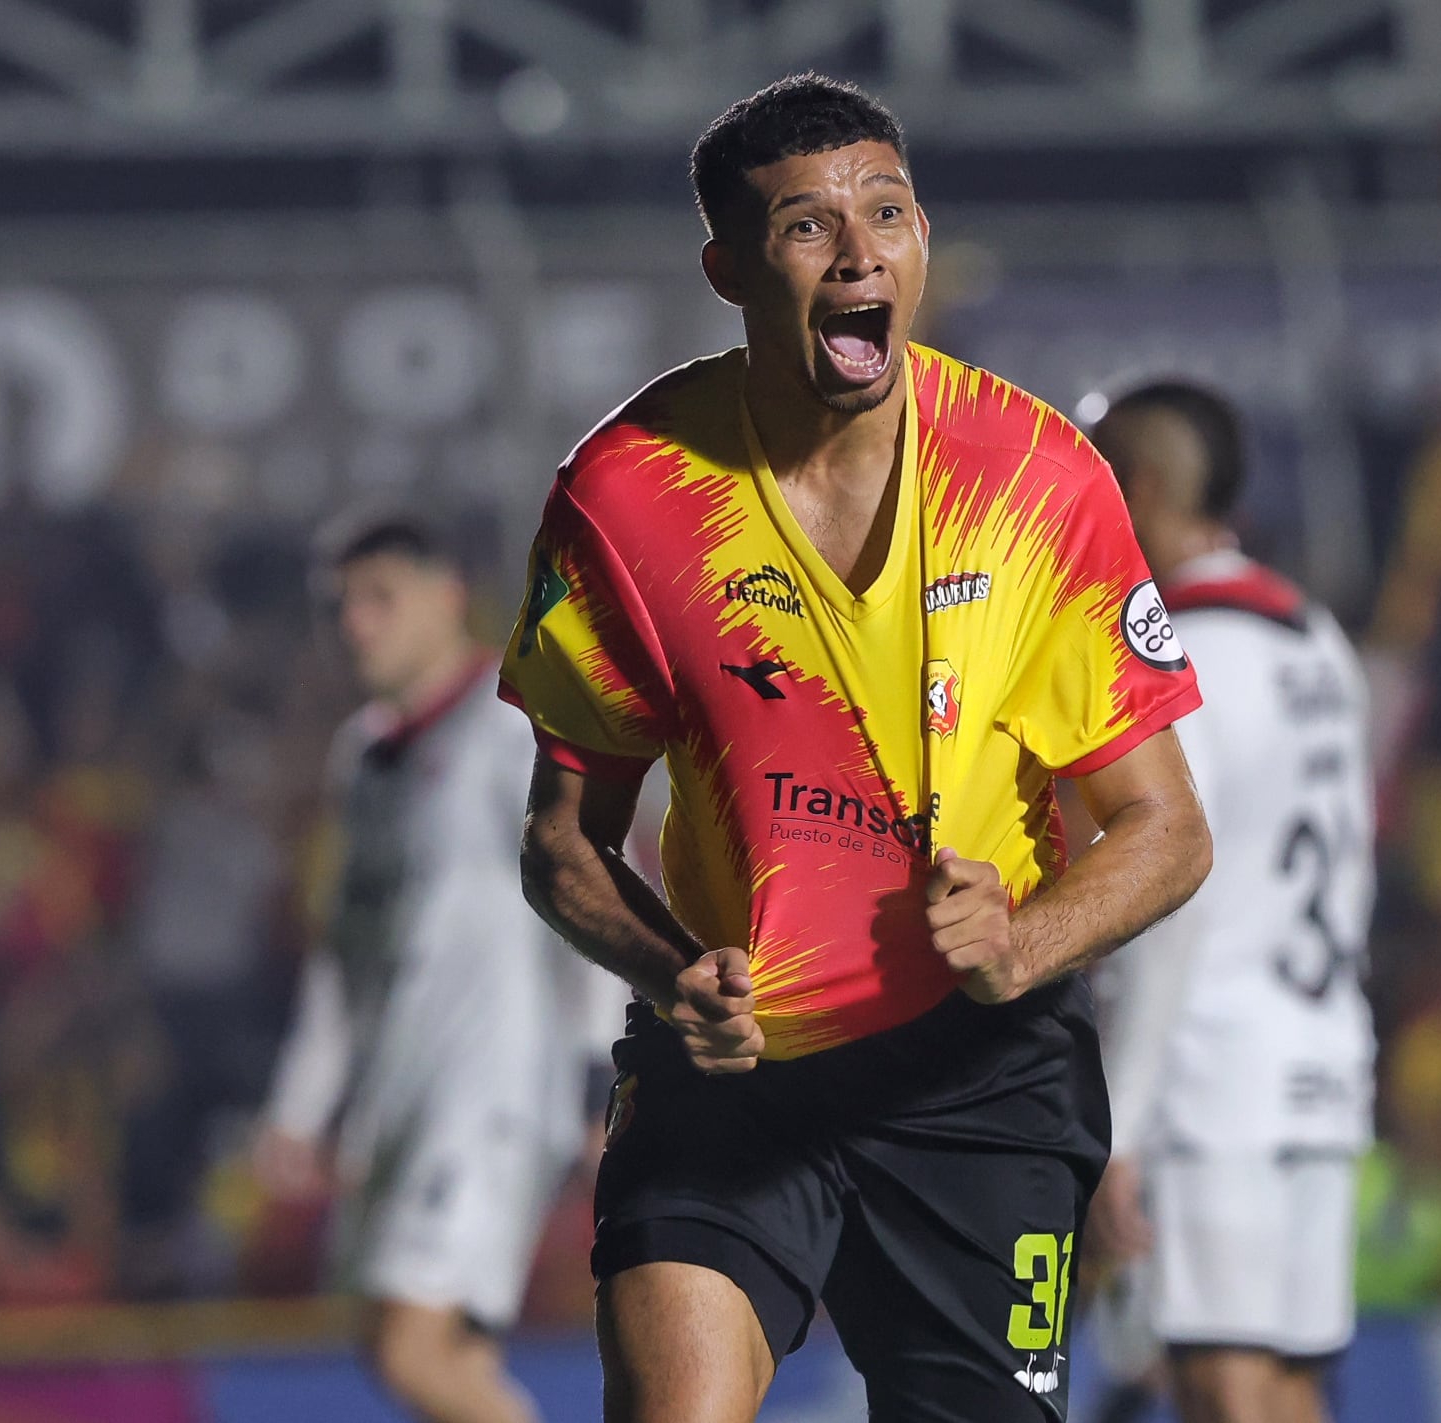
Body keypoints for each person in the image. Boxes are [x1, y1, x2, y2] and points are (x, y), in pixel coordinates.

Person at [500, 74, 1213, 1423]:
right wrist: (672, 972)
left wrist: (1025, 940)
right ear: (726, 267)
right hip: (734, 1075)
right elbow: (559, 841)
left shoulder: (1037, 477)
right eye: (806, 227)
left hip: (978, 1076)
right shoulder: (625, 495)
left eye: (886, 211)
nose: (860, 251)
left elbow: (1166, 829)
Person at [255, 512, 606, 1423]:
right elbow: (347, 952)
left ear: (448, 597)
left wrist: (605, 1077)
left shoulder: (515, 730)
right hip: (397, 1102)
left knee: (413, 1350)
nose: (356, 624)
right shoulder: (364, 757)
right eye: (342, 604)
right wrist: (301, 1106)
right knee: (407, 1348)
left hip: (487, 1098)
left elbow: (591, 897)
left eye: (381, 598)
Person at [1082, 382, 1377, 1423]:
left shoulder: (1178, 650)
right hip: (1322, 1051)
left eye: (1099, 468)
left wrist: (1116, 1120)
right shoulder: (1315, 638)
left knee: (1223, 1386)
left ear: (1144, 484)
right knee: (1287, 1381)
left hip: (1216, 1070)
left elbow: (1171, 891)